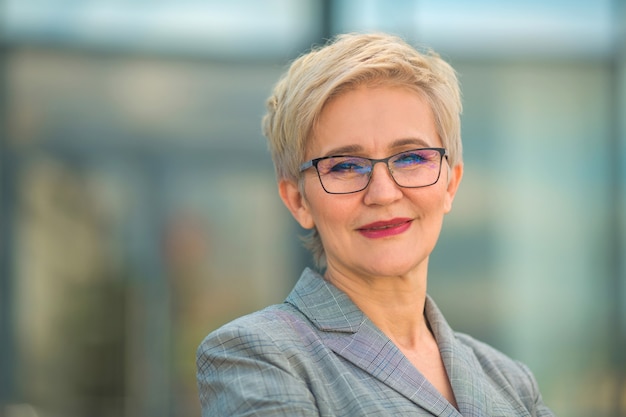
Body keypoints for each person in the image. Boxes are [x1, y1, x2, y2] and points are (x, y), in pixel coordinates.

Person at [196, 32, 554, 416]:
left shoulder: (511, 381)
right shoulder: (255, 354)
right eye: (345, 166)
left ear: (450, 184)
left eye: (412, 158)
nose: (383, 193)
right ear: (298, 201)